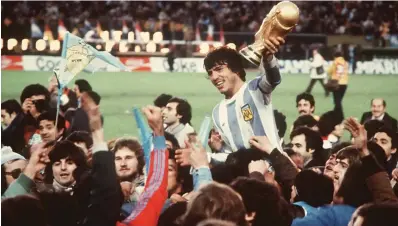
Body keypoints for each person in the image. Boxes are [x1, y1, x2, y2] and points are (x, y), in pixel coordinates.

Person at [206, 37, 285, 152]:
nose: (214, 77)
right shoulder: (217, 112)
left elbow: (273, 79)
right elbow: (229, 155)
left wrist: (268, 58)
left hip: (272, 168)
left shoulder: (254, 89)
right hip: (242, 170)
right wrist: (219, 149)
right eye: (210, 73)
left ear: (236, 69)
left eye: (219, 69)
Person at [327, 52, 349, 118]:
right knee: (338, 101)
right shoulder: (345, 62)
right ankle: (335, 114)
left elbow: (329, 71)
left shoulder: (335, 62)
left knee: (337, 101)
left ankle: (341, 116)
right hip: (344, 83)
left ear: (335, 56)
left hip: (336, 83)